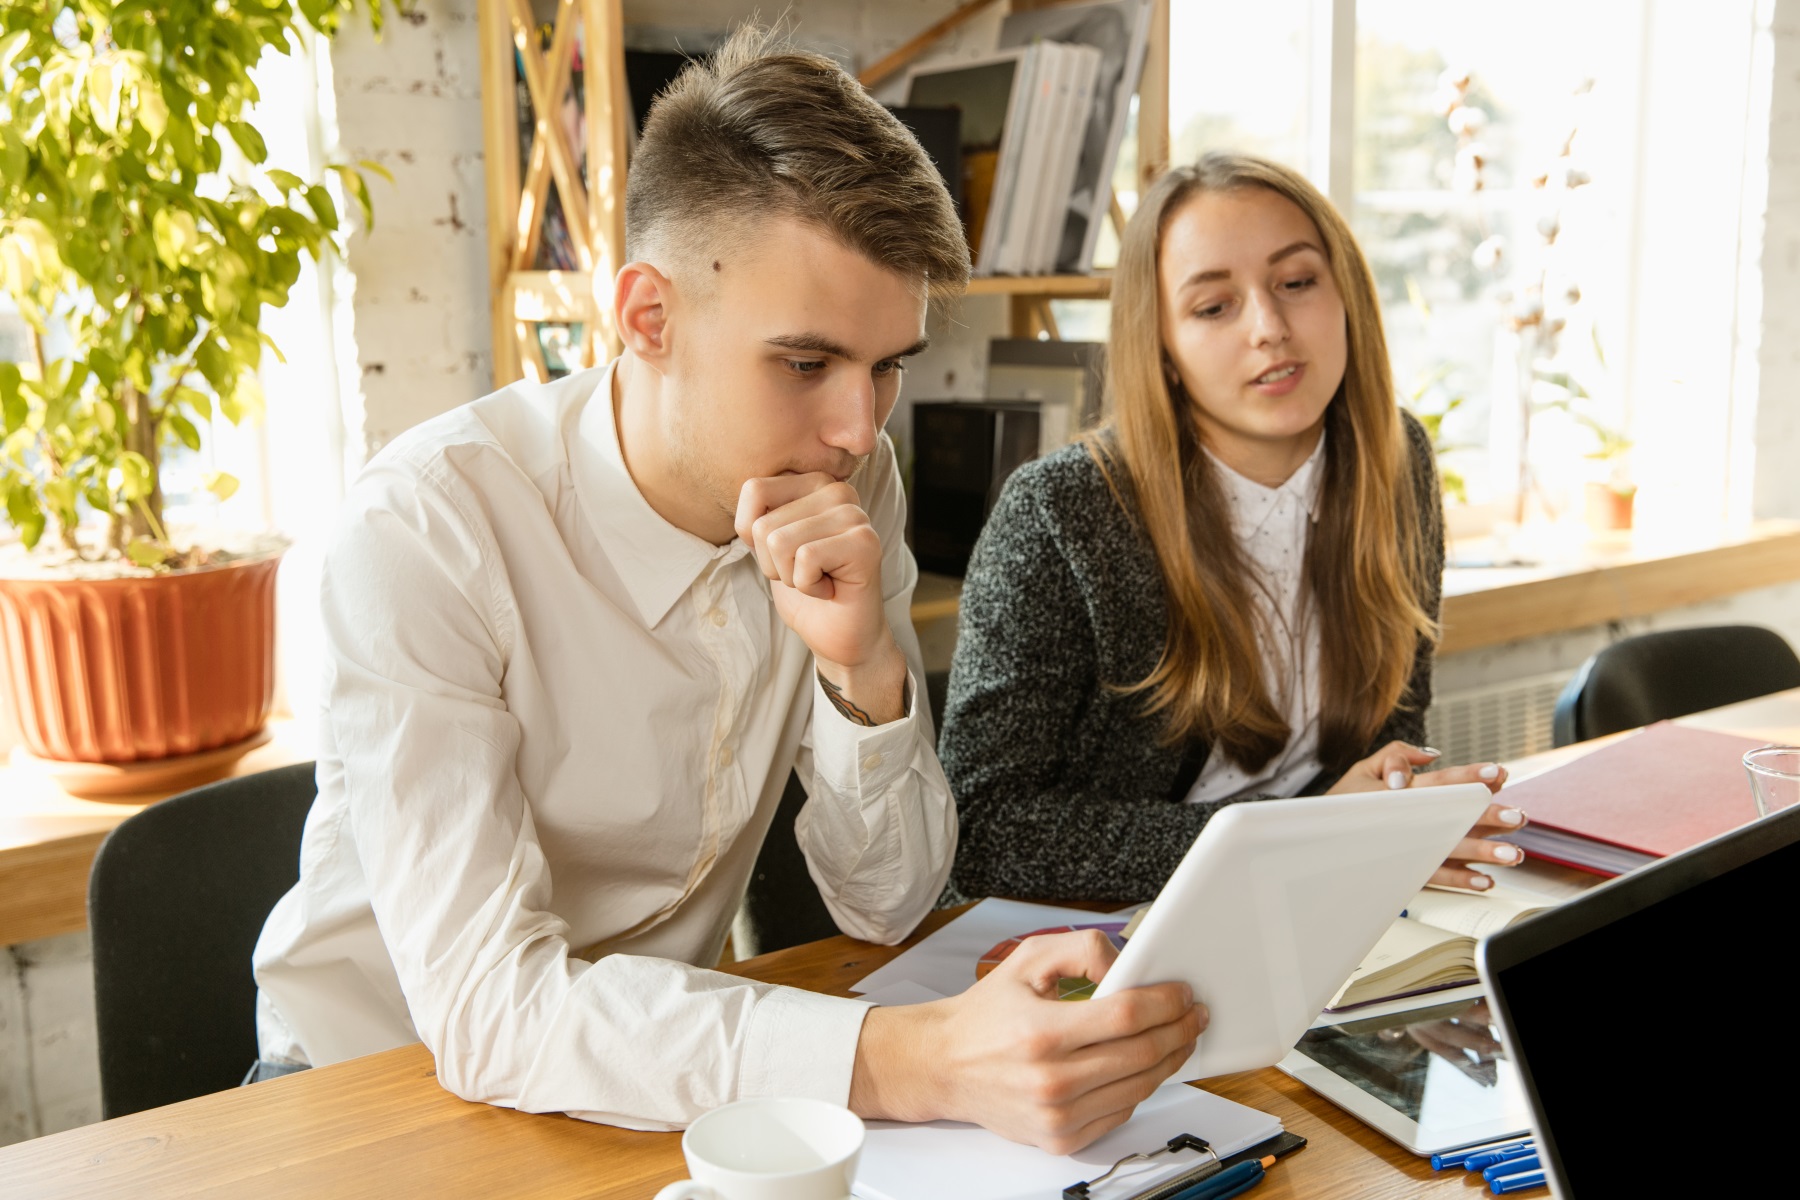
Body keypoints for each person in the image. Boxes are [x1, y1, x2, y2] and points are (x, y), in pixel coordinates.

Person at [251, 27, 1201, 1154]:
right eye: (806, 363)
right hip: (373, 1099)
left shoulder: (845, 476)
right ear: (649, 319)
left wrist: (862, 669)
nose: (860, 425)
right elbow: (489, 1011)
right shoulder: (426, 528)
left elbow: (887, 906)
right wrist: (910, 1059)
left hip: (663, 1080)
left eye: (888, 363)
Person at [940, 152, 1526, 905]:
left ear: (1345, 292)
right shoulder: (1061, 512)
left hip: (1309, 897)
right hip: (1091, 934)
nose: (1270, 328)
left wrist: (1390, 813)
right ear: (1166, 352)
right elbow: (984, 831)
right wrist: (1298, 833)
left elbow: (1388, 731)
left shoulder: (1395, 459)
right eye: (1214, 307)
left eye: (1297, 282)